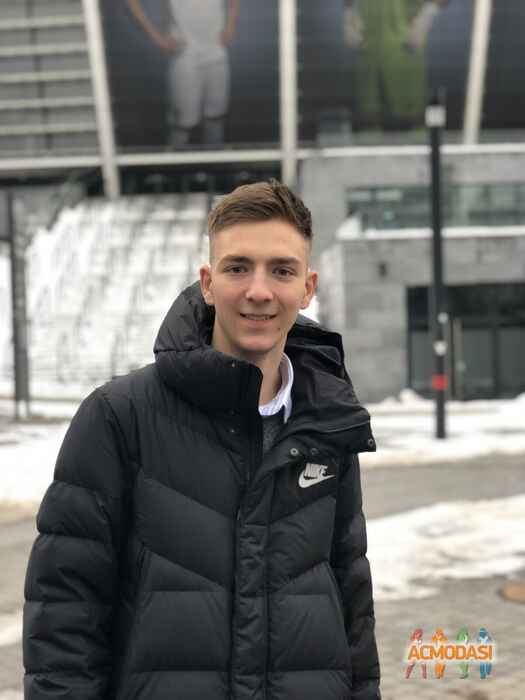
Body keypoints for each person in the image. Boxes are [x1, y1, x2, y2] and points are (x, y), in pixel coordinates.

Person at [22, 180, 380, 700]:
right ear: (208, 283)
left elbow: (353, 606)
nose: (259, 291)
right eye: (238, 268)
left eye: (281, 270)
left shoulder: (328, 423)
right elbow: (64, 617)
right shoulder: (119, 417)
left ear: (308, 288)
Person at [127, 0, 240, 147]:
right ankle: (173, 159)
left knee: (215, 118)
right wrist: (157, 38)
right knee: (183, 124)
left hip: (216, 51)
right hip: (185, 54)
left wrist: (231, 24)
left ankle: (214, 159)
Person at [344, 0, 448, 130]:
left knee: (412, 121)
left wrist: (426, 15)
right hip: (367, 48)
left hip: (404, 47)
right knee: (369, 119)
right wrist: (349, 13)